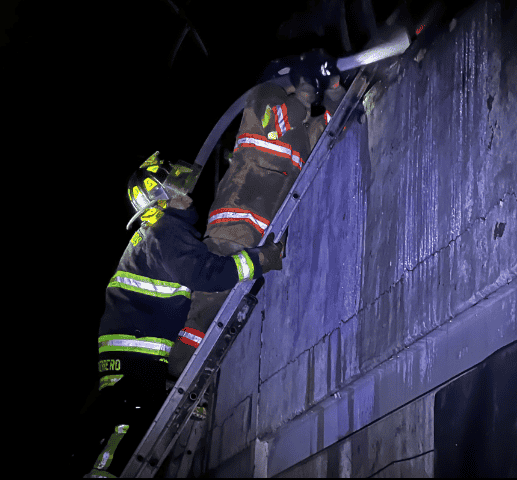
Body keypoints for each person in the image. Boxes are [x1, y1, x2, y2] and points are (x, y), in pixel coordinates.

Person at [73, 152, 285, 478]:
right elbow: (209, 274)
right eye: (177, 189)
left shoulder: (152, 235)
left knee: (123, 431)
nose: (187, 195)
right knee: (133, 427)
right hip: (137, 356)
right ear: (159, 199)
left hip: (127, 355)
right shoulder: (165, 231)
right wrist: (263, 259)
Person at [167, 50, 347, 380]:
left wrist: (333, 85)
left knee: (226, 308)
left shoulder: (300, 122)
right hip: (235, 221)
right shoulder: (265, 98)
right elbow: (279, 119)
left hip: (262, 231)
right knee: (208, 304)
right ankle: (175, 374)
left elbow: (329, 128)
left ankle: (197, 377)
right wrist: (308, 84)